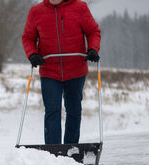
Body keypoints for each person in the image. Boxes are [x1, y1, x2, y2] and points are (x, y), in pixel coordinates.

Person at [22, 0, 101, 145]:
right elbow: (28, 37)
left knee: (74, 111)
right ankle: (53, 151)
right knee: (52, 111)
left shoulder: (80, 7)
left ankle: (71, 148)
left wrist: (93, 49)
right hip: (49, 70)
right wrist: (32, 53)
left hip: (76, 70)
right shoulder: (36, 11)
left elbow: (93, 32)